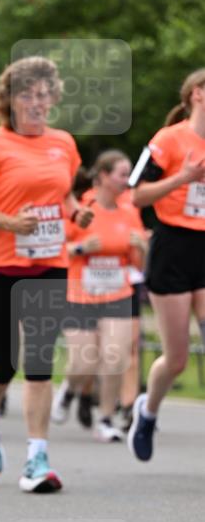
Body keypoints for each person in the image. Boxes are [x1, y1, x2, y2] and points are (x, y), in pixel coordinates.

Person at [0, 56, 92, 492]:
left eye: (43, 94)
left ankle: (37, 458)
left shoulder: (64, 143)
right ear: (10, 101)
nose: (37, 102)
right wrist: (9, 223)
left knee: (38, 362)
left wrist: (77, 212)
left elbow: (64, 192)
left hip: (49, 262)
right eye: (27, 95)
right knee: (4, 360)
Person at [128, 68, 205, 460]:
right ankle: (148, 411)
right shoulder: (168, 140)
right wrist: (185, 178)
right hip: (173, 246)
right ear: (197, 94)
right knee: (175, 358)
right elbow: (137, 196)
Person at [52, 150, 148, 441]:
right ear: (104, 177)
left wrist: (141, 248)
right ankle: (69, 390)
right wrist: (81, 249)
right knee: (84, 362)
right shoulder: (81, 208)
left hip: (117, 291)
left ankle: (105, 419)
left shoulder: (130, 212)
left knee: (115, 357)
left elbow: (138, 266)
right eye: (121, 174)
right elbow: (56, 252)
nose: (127, 180)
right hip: (80, 292)